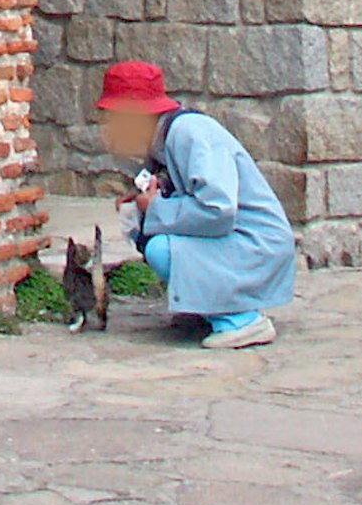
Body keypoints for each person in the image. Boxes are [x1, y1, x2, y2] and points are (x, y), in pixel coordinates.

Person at [93, 60, 296, 351]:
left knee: (160, 248)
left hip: (259, 246)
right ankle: (207, 307)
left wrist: (156, 209)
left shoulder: (189, 133)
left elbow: (218, 210)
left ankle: (240, 320)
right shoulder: (169, 137)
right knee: (143, 228)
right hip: (246, 243)